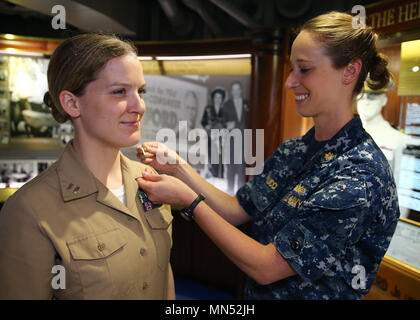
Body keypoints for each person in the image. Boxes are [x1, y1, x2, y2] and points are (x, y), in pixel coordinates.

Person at [136, 11, 400, 300]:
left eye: (305, 69)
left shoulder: (359, 174)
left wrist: (189, 201)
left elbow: (267, 266)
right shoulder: (294, 150)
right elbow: (237, 209)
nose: (290, 82)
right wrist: (178, 168)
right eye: (291, 69)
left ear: (349, 72)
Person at [0, 34, 174, 300]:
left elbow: (163, 280)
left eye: (141, 91)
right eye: (119, 92)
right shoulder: (30, 210)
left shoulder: (150, 183)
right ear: (72, 103)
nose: (139, 106)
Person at [220, 81, 249, 194]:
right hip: (231, 142)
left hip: (244, 143)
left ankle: (240, 195)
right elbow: (222, 124)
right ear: (231, 92)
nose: (236, 92)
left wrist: (235, 125)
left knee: (242, 169)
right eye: (233, 90)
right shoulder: (226, 105)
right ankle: (230, 192)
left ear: (241, 90)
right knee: (231, 169)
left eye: (238, 89)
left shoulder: (248, 103)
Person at [201, 87, 227, 178]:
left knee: (221, 157)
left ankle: (221, 176)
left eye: (220, 97)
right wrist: (206, 127)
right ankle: (212, 175)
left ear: (222, 99)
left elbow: (226, 123)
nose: (218, 99)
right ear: (213, 98)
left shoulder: (225, 110)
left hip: (221, 138)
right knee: (211, 156)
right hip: (210, 136)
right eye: (216, 97)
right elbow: (203, 121)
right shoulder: (208, 109)